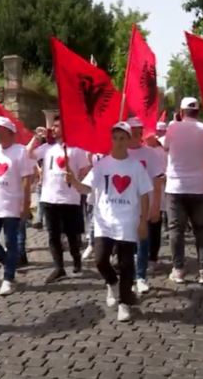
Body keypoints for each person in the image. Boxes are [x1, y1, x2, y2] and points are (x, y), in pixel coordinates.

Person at [66, 121, 153, 322]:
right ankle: (112, 283)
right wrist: (74, 181)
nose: (119, 142)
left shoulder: (136, 167)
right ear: (111, 139)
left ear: (129, 140)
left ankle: (124, 302)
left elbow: (144, 195)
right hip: (104, 220)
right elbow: (87, 188)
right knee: (100, 259)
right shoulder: (102, 164)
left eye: (123, 138)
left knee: (125, 263)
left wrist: (142, 221)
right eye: (115, 138)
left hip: (128, 220)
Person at [27, 116, 90, 283]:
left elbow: (86, 169)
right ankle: (58, 267)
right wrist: (35, 138)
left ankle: (76, 258)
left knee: (71, 234)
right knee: (53, 234)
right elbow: (28, 154)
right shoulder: (47, 148)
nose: (53, 129)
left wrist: (77, 182)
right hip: (49, 197)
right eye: (52, 126)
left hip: (69, 198)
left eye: (57, 126)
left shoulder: (76, 149)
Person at [163, 97, 203, 284]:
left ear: (181, 112)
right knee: (201, 229)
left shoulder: (172, 128)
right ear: (198, 112)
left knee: (176, 229)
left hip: (176, 185)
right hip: (200, 186)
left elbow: (166, 148)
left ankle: (178, 269)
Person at [0, 117, 34, 296]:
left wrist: (26, 204)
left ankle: (8, 278)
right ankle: (7, 262)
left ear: (9, 132)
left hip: (12, 203)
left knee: (12, 242)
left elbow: (27, 179)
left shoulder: (20, 152)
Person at [124, 117, 164, 294]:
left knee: (142, 241)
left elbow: (157, 180)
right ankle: (127, 276)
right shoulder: (119, 152)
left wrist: (156, 205)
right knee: (125, 243)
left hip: (144, 204)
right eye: (132, 130)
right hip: (123, 206)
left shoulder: (150, 154)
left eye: (138, 130)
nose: (135, 134)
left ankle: (140, 276)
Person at [145, 131, 168, 271]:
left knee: (154, 228)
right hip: (137, 198)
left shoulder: (161, 152)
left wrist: (161, 178)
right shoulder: (132, 151)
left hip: (155, 194)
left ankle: (152, 257)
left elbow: (165, 172)